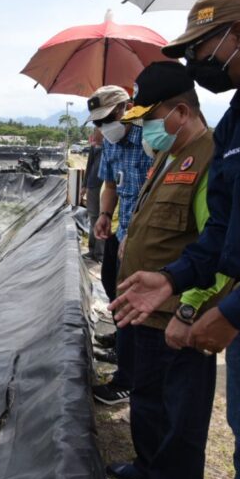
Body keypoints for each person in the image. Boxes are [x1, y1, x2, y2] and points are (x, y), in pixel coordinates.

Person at [111, 0, 240, 479]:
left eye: (200, 48)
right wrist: (173, 276)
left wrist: (225, 309)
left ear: (237, 35)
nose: (194, 64)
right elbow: (223, 229)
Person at [106, 61, 232, 479]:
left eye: (151, 117)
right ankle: (147, 464)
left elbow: (218, 248)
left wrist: (188, 309)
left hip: (177, 317)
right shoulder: (170, 154)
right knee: (148, 399)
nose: (146, 129)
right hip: (144, 311)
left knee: (182, 414)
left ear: (181, 111)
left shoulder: (210, 158)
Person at [87, 85, 153, 405]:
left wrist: (135, 235)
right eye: (97, 121)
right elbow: (110, 184)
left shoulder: (150, 140)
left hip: (142, 236)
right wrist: (104, 215)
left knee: (129, 303)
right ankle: (121, 345)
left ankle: (127, 380)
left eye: (106, 119)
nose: (102, 127)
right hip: (119, 229)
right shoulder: (111, 143)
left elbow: (155, 194)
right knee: (110, 285)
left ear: (125, 109)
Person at [83, 128, 105, 262]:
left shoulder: (111, 144)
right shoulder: (94, 146)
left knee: (102, 219)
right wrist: (84, 185)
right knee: (93, 219)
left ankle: (100, 254)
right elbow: (89, 165)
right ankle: (92, 251)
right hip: (92, 186)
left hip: (105, 187)